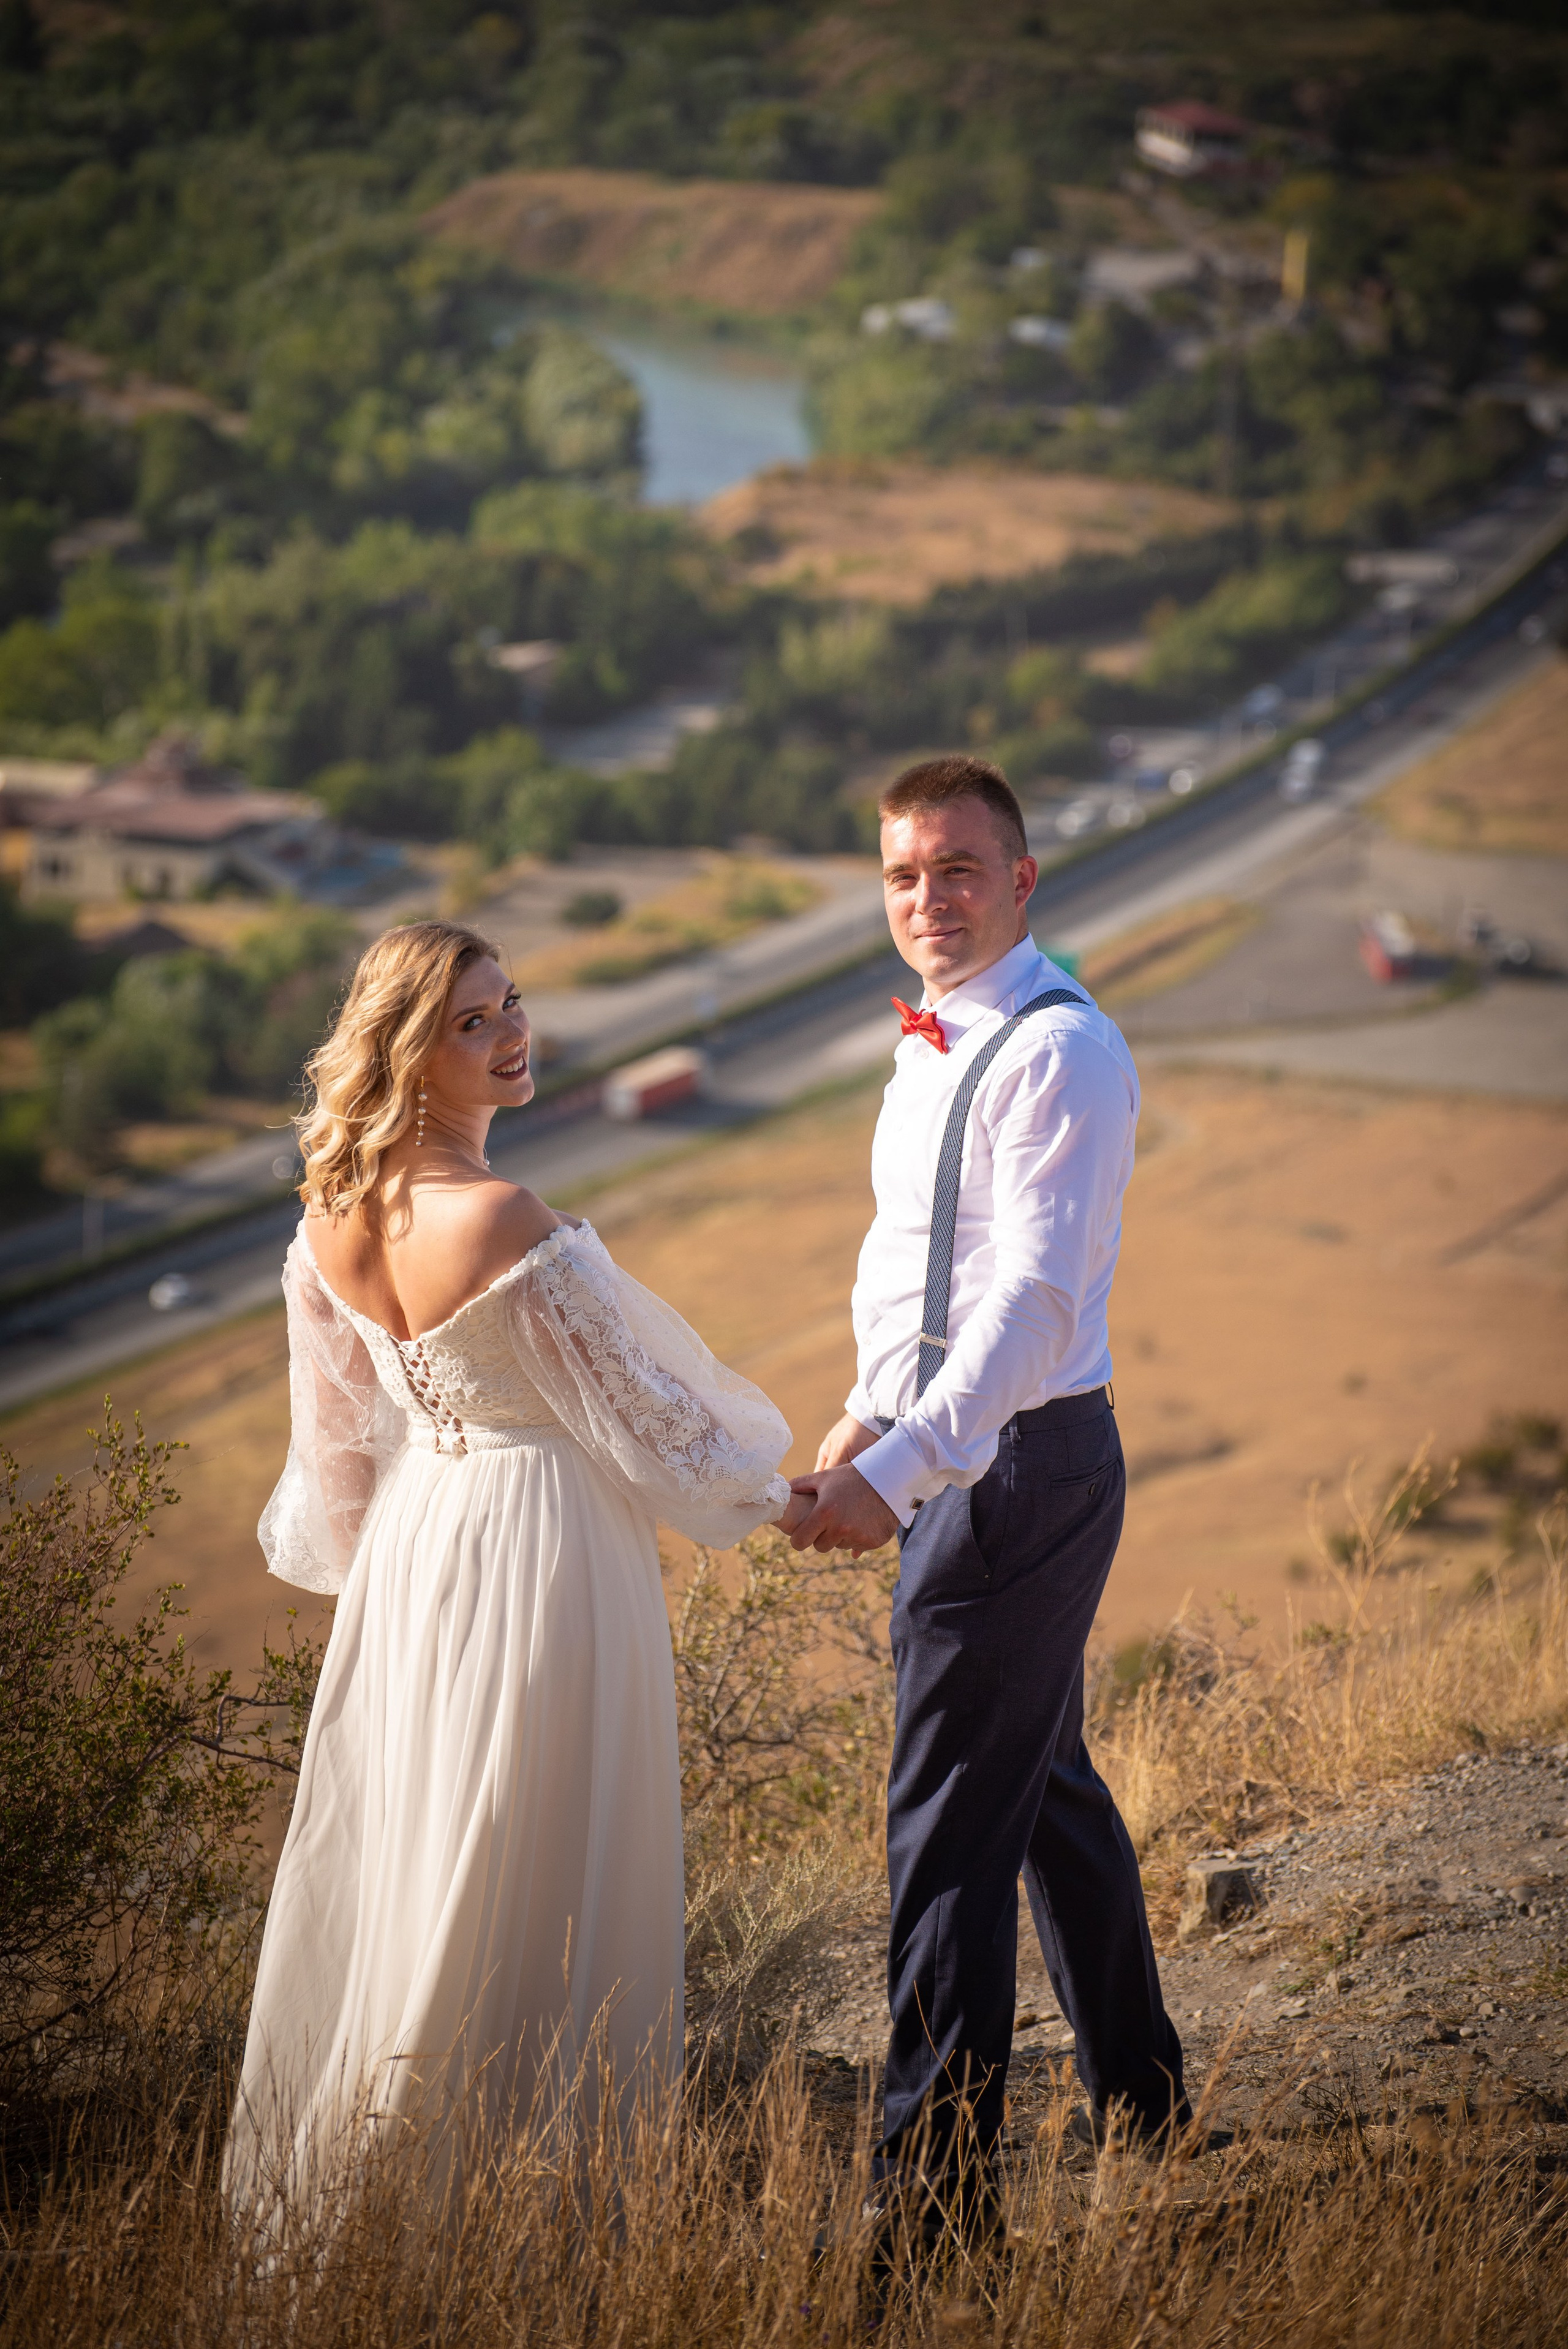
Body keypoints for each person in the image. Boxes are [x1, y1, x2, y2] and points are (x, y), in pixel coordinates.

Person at [225, 921, 797, 2225]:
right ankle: (508, 2194)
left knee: (433, 1855)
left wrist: (401, 1614)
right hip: (543, 1547)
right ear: (410, 1052)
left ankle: (389, 2183)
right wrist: (785, 1498)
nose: (512, 1034)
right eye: (473, 1022)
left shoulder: (327, 1222)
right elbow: (655, 1420)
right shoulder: (504, 1218)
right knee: (537, 1857)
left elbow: (338, 1466)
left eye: (512, 1003)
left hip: (418, 1552)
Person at [785, 755, 1188, 2246]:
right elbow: (923, 1269)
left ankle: (933, 2218)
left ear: (1020, 881)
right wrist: (863, 1407)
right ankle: (1143, 2100)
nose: (926, 897)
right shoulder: (930, 1046)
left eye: (956, 868)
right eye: (901, 873)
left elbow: (1024, 1306)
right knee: (1038, 1791)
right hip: (967, 1447)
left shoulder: (1057, 1052)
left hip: (1016, 1466)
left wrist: (895, 1477)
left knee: (943, 1836)